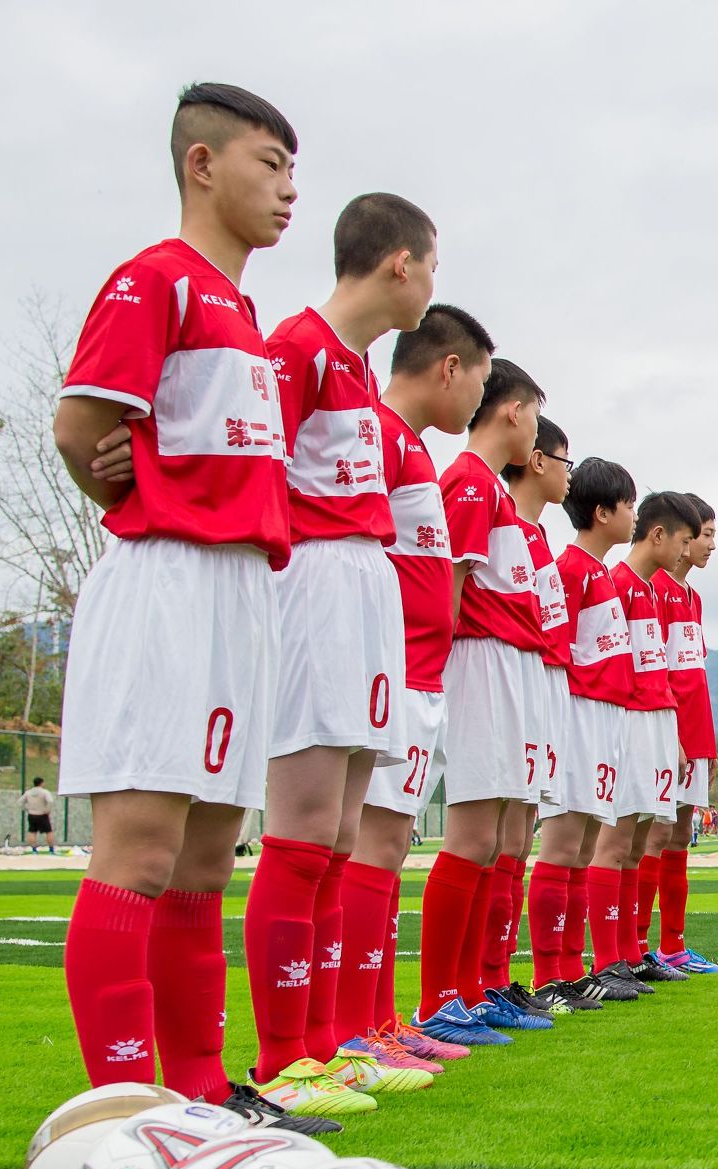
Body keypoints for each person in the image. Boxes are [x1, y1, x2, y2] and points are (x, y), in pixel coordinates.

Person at [49, 83, 337, 1132]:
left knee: (209, 860)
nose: (289, 190)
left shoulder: (245, 317)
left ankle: (205, 1094)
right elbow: (80, 426)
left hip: (242, 593)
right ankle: (127, 1112)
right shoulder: (155, 279)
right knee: (139, 851)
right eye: (271, 163)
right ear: (202, 164)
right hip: (168, 583)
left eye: (296, 170)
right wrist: (144, 495)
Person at [245, 192, 442, 1112]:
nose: (430, 284)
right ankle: (283, 1059)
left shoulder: (356, 367)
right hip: (316, 587)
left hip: (364, 588)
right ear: (400, 262)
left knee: (336, 836)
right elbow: (252, 472)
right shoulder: (295, 346)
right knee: (303, 828)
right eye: (431, 265)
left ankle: (329, 1044)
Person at [341, 303, 496, 1063]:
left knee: (390, 844)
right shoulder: (376, 433)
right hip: (389, 671)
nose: (479, 401)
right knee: (367, 845)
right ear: (449, 369)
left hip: (418, 675)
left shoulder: (407, 446)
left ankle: (377, 1018)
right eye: (481, 383)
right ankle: (351, 1028)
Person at [408, 357, 556, 1044]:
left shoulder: (491, 491)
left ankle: (471, 989)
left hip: (508, 664)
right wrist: (436, 671)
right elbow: (451, 584)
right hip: (479, 661)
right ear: (514, 412)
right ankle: (440, 998)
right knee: (471, 836)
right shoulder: (467, 480)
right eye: (535, 415)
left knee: (496, 838)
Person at [506, 416, 600, 1015]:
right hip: (542, 694)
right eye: (565, 460)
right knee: (513, 840)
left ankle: (552, 973)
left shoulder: (539, 541)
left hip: (558, 695)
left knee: (518, 840)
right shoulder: (561, 559)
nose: (569, 473)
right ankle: (542, 974)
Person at [591, 491, 700, 990]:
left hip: (656, 723)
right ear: (658, 535)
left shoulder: (650, 591)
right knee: (614, 842)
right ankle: (605, 961)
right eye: (683, 541)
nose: (686, 552)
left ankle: (630, 954)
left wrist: (672, 734)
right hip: (628, 723)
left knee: (637, 844)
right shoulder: (617, 583)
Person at [555, 456, 647, 1003]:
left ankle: (577, 968)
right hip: (580, 715)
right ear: (602, 512)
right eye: (628, 504)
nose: (634, 514)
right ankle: (557, 971)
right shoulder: (570, 569)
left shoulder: (598, 574)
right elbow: (558, 652)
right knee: (567, 845)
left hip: (608, 715)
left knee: (587, 841)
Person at [650, 495, 718, 973]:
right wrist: (671, 735)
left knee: (679, 836)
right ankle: (636, 948)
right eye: (706, 534)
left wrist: (706, 744)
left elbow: (694, 677)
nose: (712, 545)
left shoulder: (693, 598)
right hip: (663, 731)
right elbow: (657, 673)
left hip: (693, 736)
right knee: (652, 835)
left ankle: (673, 946)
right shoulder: (653, 588)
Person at [22, 778, 57, 853]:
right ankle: (51, 849)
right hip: (42, 814)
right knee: (49, 831)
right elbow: (50, 801)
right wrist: (47, 810)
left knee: (32, 831)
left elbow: (20, 802)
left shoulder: (28, 792)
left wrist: (27, 809)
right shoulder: (44, 792)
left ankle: (34, 850)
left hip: (32, 814)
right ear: (42, 783)